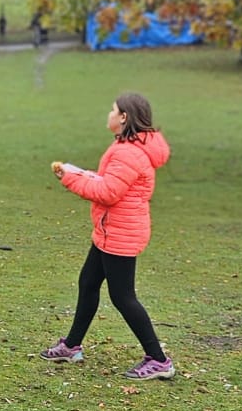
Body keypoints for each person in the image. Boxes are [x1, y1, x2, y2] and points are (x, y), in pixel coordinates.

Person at [45, 91, 174, 381]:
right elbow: (110, 181)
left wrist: (69, 179)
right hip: (110, 229)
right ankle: (71, 345)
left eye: (112, 110)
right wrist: (79, 172)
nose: (109, 114)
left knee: (123, 296)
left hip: (121, 233)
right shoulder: (126, 146)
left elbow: (107, 192)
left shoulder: (129, 152)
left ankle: (159, 359)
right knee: (88, 282)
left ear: (124, 117)